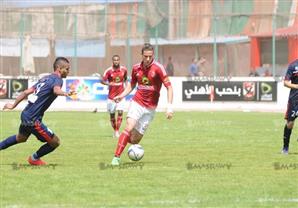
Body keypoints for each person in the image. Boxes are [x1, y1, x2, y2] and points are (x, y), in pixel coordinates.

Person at [0, 57, 75, 165]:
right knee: (55, 142)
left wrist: (13, 105)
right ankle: (34, 159)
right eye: (67, 69)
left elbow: (26, 92)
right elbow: (56, 90)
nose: (68, 71)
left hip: (26, 114)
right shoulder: (58, 80)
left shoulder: (45, 79)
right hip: (33, 119)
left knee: (21, 138)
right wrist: (66, 93)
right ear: (59, 68)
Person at [111, 43, 173, 165]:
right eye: (146, 56)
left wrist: (169, 107)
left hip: (150, 108)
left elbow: (169, 87)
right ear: (142, 55)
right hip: (137, 102)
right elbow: (132, 85)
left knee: (135, 139)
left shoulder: (158, 68)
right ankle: (116, 157)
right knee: (129, 126)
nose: (148, 59)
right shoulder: (136, 68)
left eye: (150, 56)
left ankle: (125, 140)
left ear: (153, 55)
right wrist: (121, 95)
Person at [100, 55, 128, 138]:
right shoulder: (108, 71)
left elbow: (125, 78)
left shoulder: (124, 69)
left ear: (119, 61)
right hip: (111, 97)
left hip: (120, 96)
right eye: (114, 60)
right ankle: (115, 130)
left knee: (120, 112)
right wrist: (109, 83)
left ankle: (117, 131)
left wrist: (125, 87)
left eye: (117, 60)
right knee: (112, 115)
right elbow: (102, 80)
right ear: (113, 61)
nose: (116, 61)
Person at [282, 59, 298, 154]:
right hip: (294, 100)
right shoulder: (293, 65)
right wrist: (296, 86)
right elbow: (285, 83)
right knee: (290, 124)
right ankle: (285, 147)